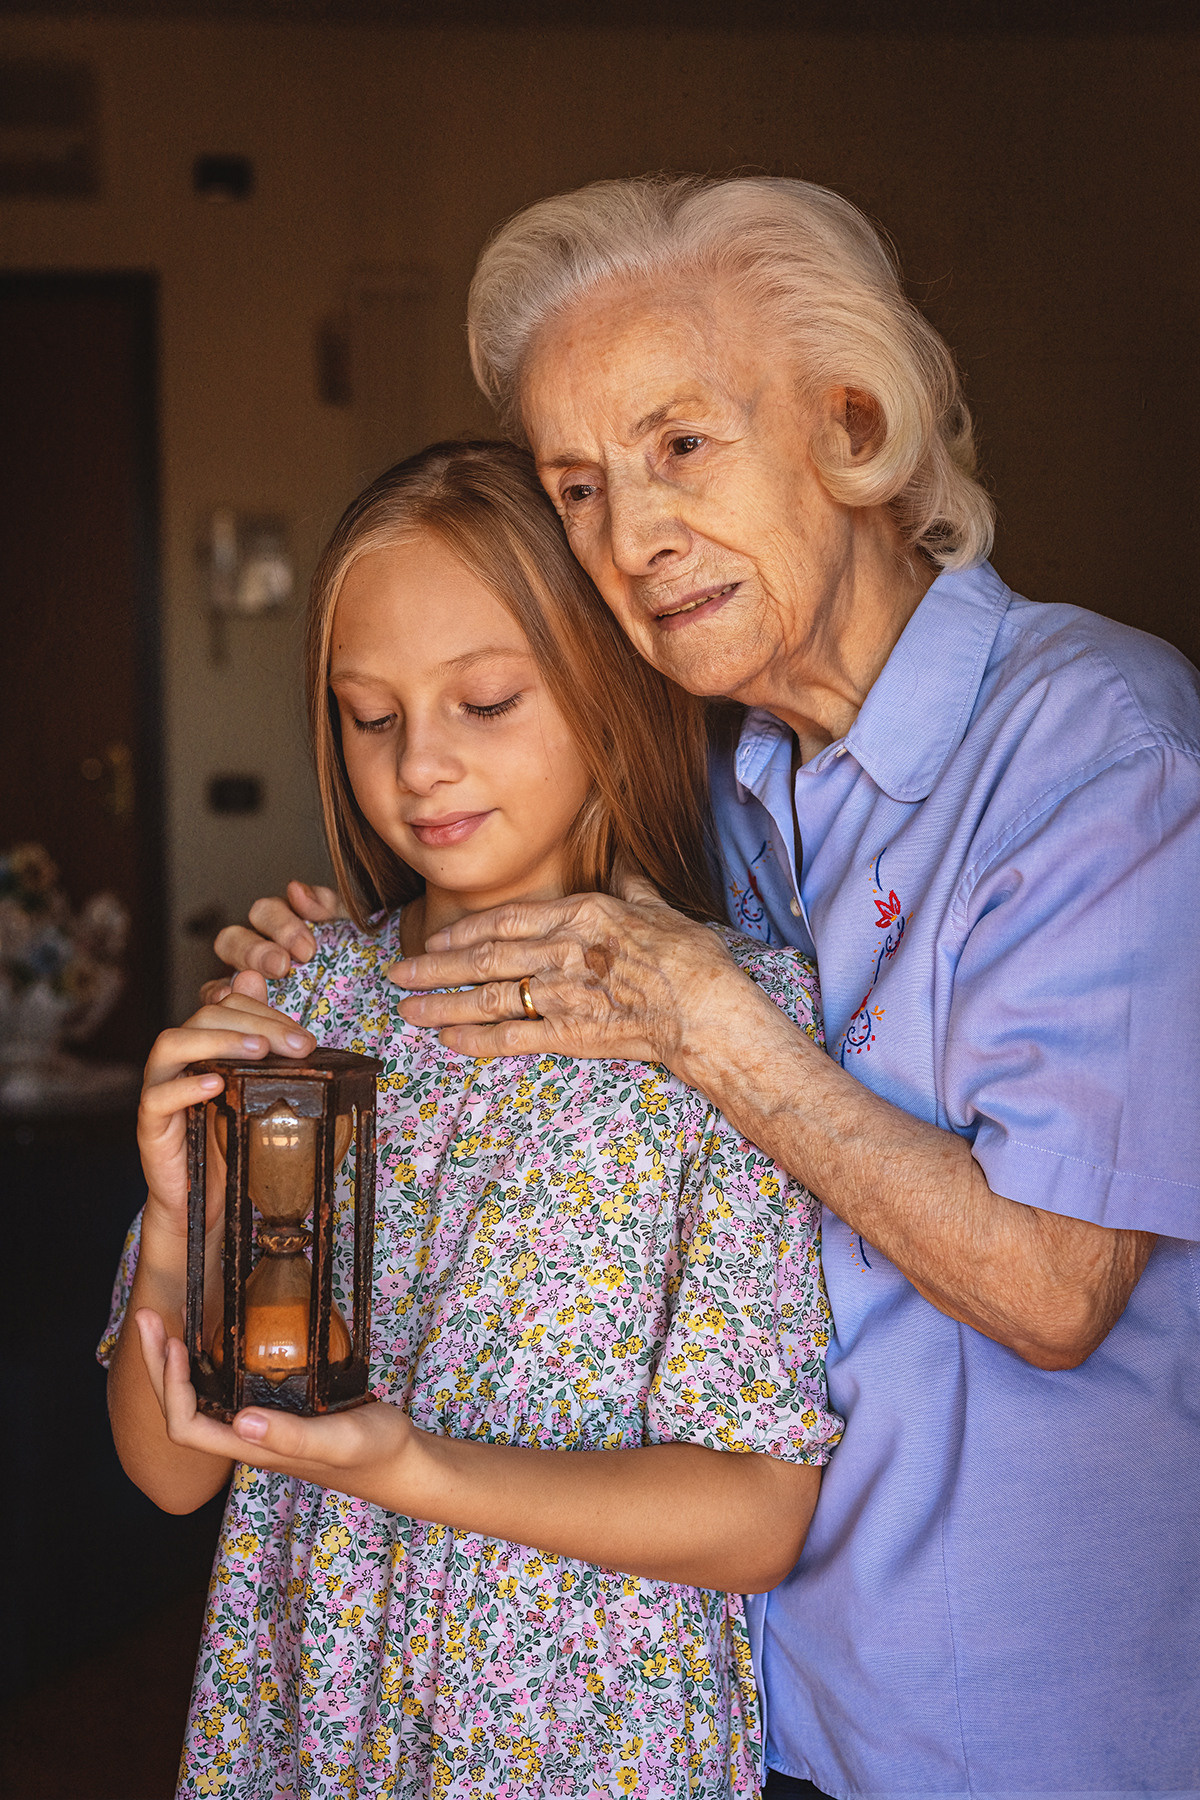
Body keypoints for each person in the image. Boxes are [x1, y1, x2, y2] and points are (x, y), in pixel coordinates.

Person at [223, 178, 1200, 1797]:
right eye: (581, 484)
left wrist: (709, 1025)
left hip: (1024, 1732)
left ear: (852, 423)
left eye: (683, 445)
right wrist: (341, 955)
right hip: (760, 1721)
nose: (631, 535)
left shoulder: (1104, 754)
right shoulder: (737, 779)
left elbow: (1054, 1287)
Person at [103, 439, 843, 1800]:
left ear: (610, 686)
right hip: (312, 1723)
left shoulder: (730, 1031)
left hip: (578, 1741)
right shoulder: (302, 1007)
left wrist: (408, 1467)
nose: (421, 766)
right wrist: (169, 1216)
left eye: (486, 700)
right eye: (368, 716)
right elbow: (166, 1475)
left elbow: (755, 1516)